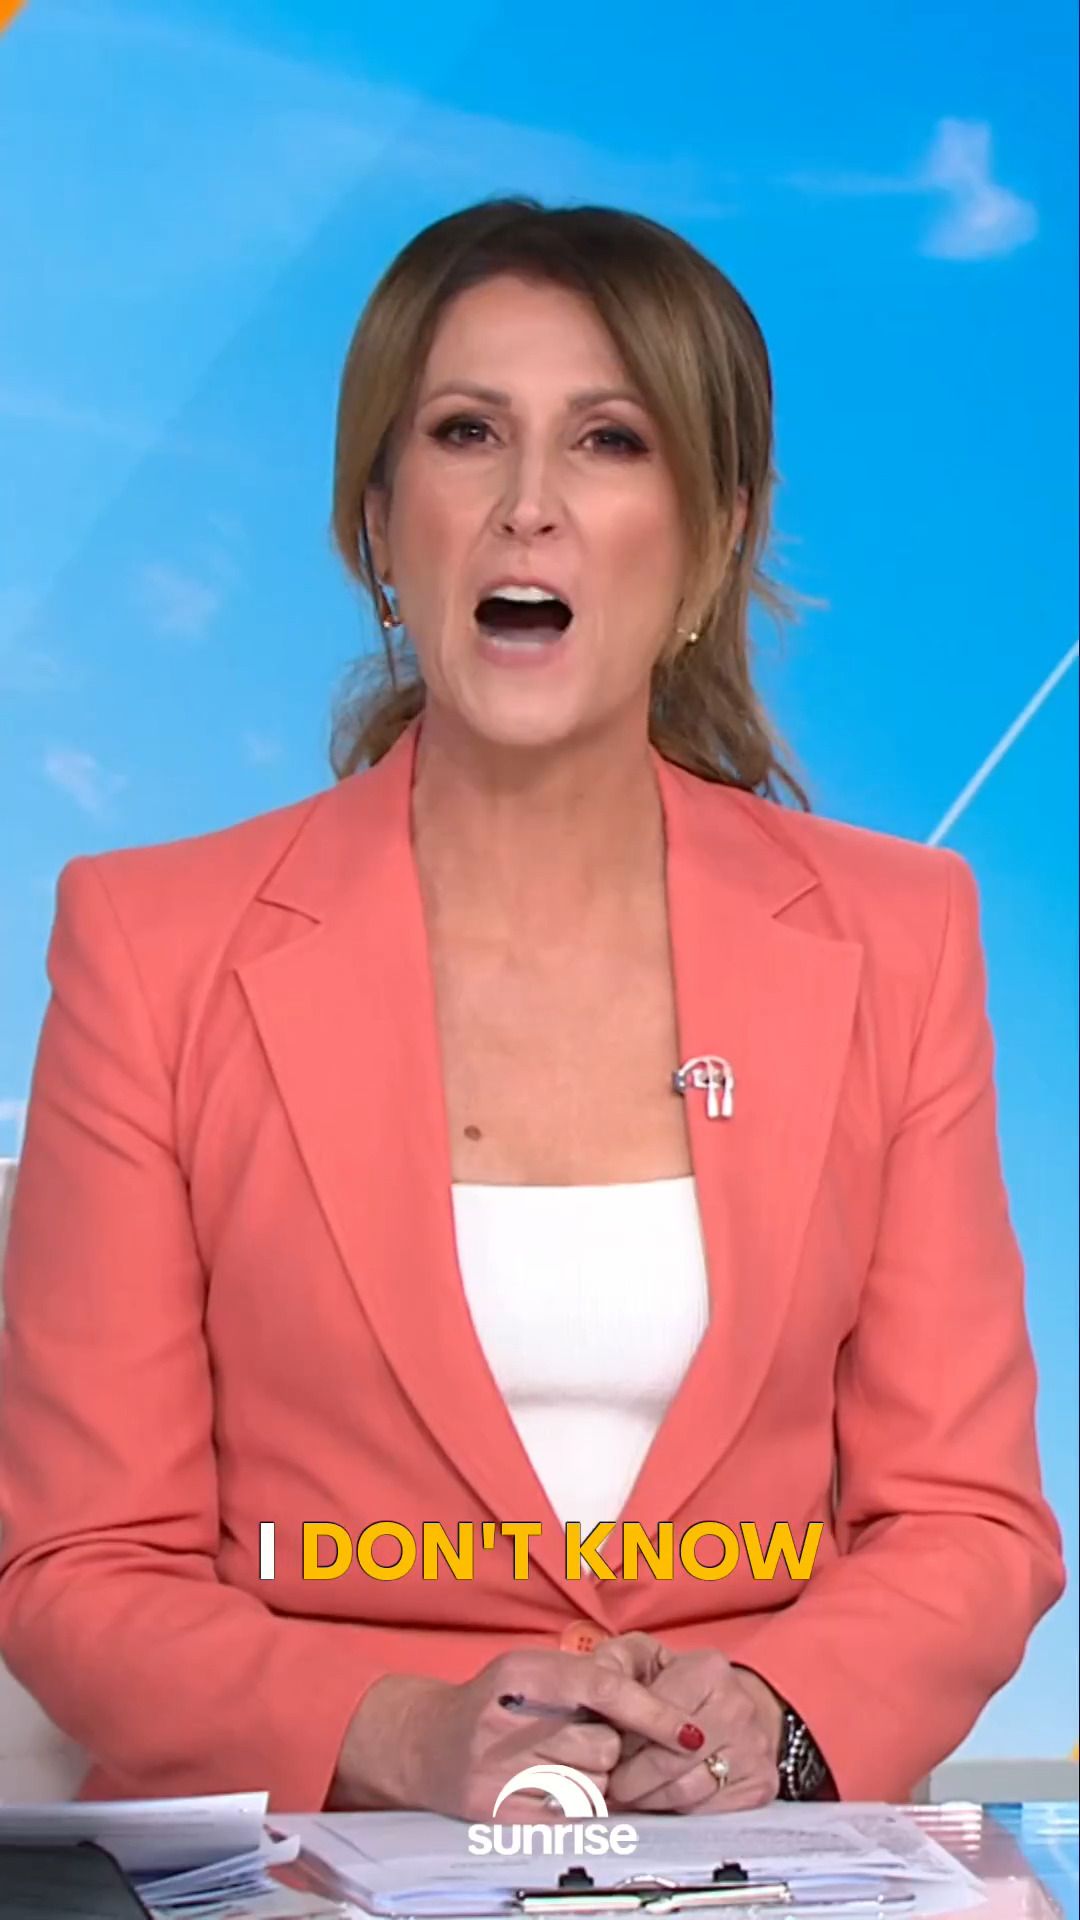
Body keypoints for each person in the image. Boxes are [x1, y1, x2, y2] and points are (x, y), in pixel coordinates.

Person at [0, 197, 1064, 1821]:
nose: (529, 507)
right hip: (317, 1863)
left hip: (757, 1869)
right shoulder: (152, 945)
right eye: (467, 432)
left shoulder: (900, 937)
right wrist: (398, 1733)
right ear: (378, 522)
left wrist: (775, 1722)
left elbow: (968, 1524)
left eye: (610, 441)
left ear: (716, 535)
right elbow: (82, 1566)